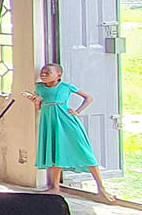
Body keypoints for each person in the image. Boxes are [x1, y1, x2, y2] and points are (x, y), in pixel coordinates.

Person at [27, 64, 114, 203]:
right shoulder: (39, 88)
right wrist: (36, 102)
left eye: (48, 72)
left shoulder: (66, 87)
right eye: (42, 72)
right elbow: (39, 108)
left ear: (58, 75)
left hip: (67, 121)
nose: (43, 75)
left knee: (84, 151)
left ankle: (101, 189)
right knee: (55, 152)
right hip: (49, 122)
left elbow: (88, 97)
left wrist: (78, 111)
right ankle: (55, 187)